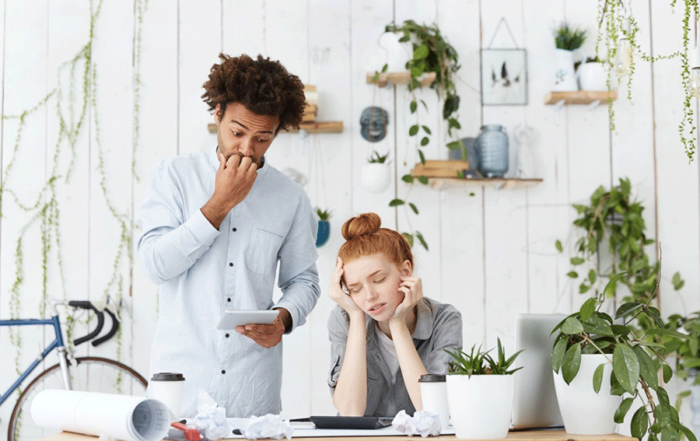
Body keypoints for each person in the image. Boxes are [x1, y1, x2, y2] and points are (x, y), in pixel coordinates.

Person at [136, 54, 320, 418]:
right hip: (180, 388)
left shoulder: (291, 198)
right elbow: (155, 266)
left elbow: (305, 281)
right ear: (218, 113)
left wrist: (283, 318)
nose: (247, 149)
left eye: (263, 138)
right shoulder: (174, 177)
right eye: (238, 132)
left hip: (252, 393)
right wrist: (219, 205)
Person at [327, 213, 463, 417]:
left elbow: (434, 411)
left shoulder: (445, 319)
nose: (369, 296)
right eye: (355, 289)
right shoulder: (344, 318)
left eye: (379, 279)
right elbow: (350, 412)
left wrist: (398, 324)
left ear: (406, 271)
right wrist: (356, 318)